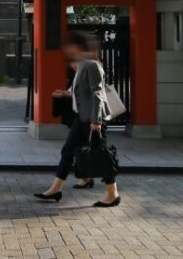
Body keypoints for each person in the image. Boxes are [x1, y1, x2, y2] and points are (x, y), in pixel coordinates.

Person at [34, 31, 121, 207]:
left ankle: (113, 194)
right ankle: (56, 189)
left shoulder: (91, 65)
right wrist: (66, 93)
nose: (66, 49)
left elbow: (98, 94)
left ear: (78, 47)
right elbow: (83, 92)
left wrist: (96, 122)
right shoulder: (82, 65)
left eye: (69, 46)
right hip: (82, 118)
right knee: (68, 151)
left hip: (93, 120)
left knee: (102, 156)